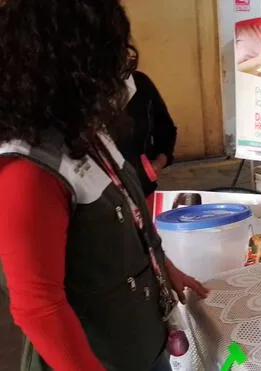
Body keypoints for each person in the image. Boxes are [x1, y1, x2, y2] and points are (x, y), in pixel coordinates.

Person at [0, 1, 208, 370]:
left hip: (140, 338)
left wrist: (164, 268)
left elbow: (128, 216)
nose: (124, 67)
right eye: (111, 53)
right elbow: (39, 308)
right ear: (70, 66)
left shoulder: (84, 133)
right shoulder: (26, 173)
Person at [116, 46, 178, 199]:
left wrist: (158, 162)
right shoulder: (84, 94)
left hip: (142, 188)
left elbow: (165, 128)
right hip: (103, 199)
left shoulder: (140, 83)